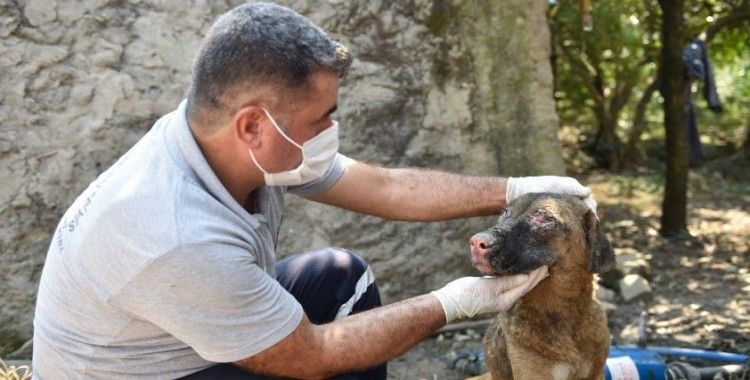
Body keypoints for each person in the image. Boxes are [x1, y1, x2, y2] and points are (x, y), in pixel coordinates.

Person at [31, 2, 596, 379]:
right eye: (321, 119)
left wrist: (517, 188)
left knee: (338, 276)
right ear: (253, 124)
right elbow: (312, 354)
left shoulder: (228, 142)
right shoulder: (176, 236)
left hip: (179, 339)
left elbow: (387, 189)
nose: (331, 132)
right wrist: (452, 303)